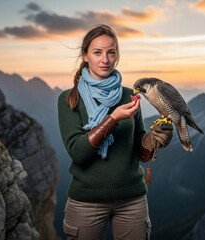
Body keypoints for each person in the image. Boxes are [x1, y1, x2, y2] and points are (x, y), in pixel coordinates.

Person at [57, 24, 173, 240]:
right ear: (85, 55)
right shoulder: (69, 98)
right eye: (97, 52)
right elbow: (78, 152)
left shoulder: (130, 95)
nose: (105, 59)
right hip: (86, 200)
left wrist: (153, 139)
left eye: (111, 52)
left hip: (132, 199)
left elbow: (139, 148)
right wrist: (112, 119)